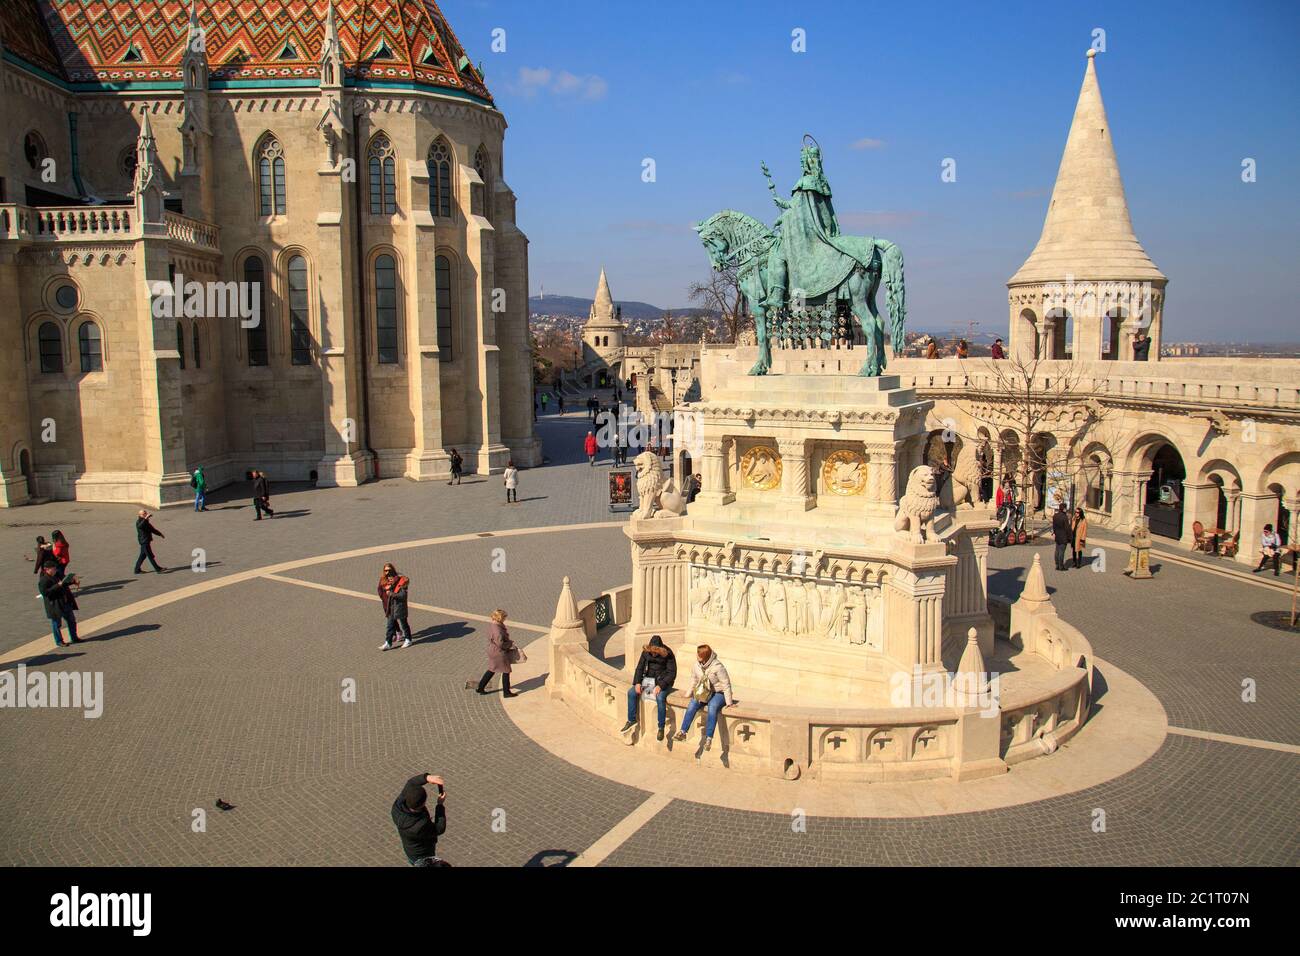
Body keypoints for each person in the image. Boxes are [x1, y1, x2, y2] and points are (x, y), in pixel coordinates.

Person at [673, 644, 734, 751]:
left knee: (713, 707)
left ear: (705, 656)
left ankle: (708, 738)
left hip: (718, 693)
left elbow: (726, 684)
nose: (697, 656)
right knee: (693, 703)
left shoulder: (718, 667)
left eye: (699, 654)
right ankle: (683, 732)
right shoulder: (696, 665)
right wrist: (688, 694)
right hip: (704, 692)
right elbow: (694, 680)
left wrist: (729, 702)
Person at [621, 635, 677, 741]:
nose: (653, 653)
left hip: (663, 682)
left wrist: (661, 685)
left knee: (660, 698)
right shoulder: (646, 652)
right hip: (649, 680)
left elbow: (672, 673)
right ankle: (631, 720)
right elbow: (640, 668)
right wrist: (637, 682)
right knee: (631, 693)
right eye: (652, 651)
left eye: (656, 652)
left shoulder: (668, 654)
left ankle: (661, 727)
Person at [390, 772, 449, 867]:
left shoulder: (397, 807)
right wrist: (440, 805)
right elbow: (439, 828)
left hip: (410, 851)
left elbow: (411, 783)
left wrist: (426, 778)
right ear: (423, 804)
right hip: (423, 854)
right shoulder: (420, 825)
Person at [473, 609, 518, 697]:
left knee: (492, 669)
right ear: (500, 617)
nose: (505, 619)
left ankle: (480, 688)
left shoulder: (493, 625)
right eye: (504, 617)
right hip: (499, 653)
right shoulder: (498, 629)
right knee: (506, 671)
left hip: (493, 651)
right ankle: (506, 692)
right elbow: (500, 643)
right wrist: (510, 644)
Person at [38, 561, 80, 647]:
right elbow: (45, 593)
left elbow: (64, 582)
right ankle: (59, 641)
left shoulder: (58, 575)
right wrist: (58, 585)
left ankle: (74, 637)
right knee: (57, 624)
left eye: (55, 568)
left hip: (65, 602)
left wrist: (73, 582)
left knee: (71, 621)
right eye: (53, 569)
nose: (55, 570)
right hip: (55, 605)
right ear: (46, 570)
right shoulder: (43, 580)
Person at [378, 563, 413, 650]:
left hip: (399, 607)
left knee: (404, 624)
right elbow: (380, 589)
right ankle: (388, 642)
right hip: (390, 607)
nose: (387, 573)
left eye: (389, 570)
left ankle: (408, 639)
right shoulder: (383, 580)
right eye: (386, 570)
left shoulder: (401, 581)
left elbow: (403, 596)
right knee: (390, 626)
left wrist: (391, 594)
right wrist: (383, 596)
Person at [134, 509, 165, 574]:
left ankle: (137, 570)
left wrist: (160, 534)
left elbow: (152, 529)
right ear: (139, 515)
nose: (145, 514)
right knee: (150, 556)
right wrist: (146, 518)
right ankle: (158, 569)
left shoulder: (145, 521)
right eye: (143, 514)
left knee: (142, 556)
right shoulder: (139, 521)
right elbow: (140, 526)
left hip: (146, 541)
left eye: (145, 513)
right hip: (144, 541)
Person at [1051, 502, 1072, 571]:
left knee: (1057, 551)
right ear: (1064, 509)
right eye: (1066, 508)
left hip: (1057, 535)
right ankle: (1061, 566)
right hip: (1063, 536)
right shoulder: (1064, 517)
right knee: (1061, 552)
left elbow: (1054, 526)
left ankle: (1057, 565)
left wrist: (1054, 533)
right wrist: (1070, 537)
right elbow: (1067, 528)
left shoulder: (1055, 516)